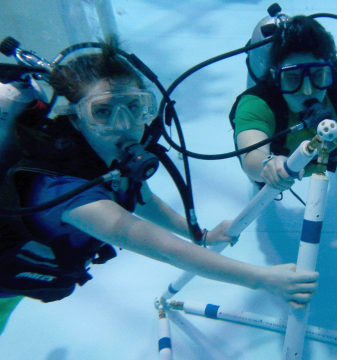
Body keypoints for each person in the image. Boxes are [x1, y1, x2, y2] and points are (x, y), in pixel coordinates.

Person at [0, 37, 318, 335]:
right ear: (75, 119)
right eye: (102, 111)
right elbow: (164, 249)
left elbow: (139, 198)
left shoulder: (108, 158)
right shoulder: (62, 190)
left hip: (25, 274)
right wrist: (262, 278)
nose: (123, 124)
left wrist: (200, 235)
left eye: (134, 107)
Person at [230, 15, 337, 246]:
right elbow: (251, 156)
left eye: (318, 76)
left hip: (330, 147)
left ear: (329, 72)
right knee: (262, 182)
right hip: (279, 159)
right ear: (276, 78)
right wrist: (267, 166)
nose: (307, 91)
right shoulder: (257, 103)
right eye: (293, 79)